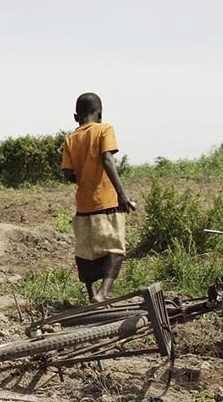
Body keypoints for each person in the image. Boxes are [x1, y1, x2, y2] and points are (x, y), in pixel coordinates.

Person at [61, 92, 136, 303]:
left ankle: (91, 294)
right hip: (107, 202)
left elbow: (68, 174)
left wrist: (84, 175)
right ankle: (103, 293)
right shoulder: (105, 129)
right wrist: (122, 193)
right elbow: (107, 158)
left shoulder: (70, 139)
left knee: (86, 251)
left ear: (76, 117)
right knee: (114, 248)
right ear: (100, 113)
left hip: (83, 206)